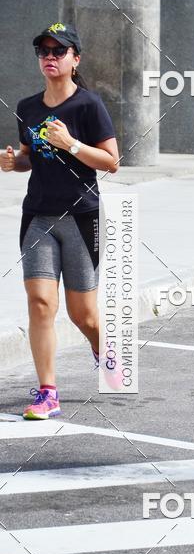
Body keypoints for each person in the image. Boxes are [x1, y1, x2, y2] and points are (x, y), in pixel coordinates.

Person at [0, 23, 119, 419]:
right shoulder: (27, 107)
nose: (49, 57)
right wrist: (13, 162)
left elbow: (112, 162)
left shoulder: (88, 106)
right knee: (40, 304)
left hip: (81, 217)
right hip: (38, 216)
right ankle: (47, 392)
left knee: (82, 314)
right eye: (43, 51)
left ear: (75, 59)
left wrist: (72, 144)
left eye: (58, 51)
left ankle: (103, 349)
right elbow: (28, 156)